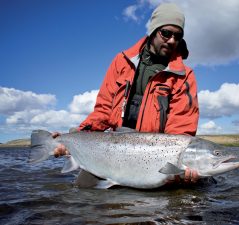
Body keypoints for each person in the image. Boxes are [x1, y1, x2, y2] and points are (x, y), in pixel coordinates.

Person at [54, 3, 200, 184]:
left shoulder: (185, 76)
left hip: (153, 158)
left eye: (177, 36)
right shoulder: (121, 62)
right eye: (166, 33)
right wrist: (78, 135)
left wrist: (183, 167)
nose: (171, 40)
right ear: (153, 31)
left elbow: (181, 130)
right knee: (82, 191)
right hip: (114, 150)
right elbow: (103, 109)